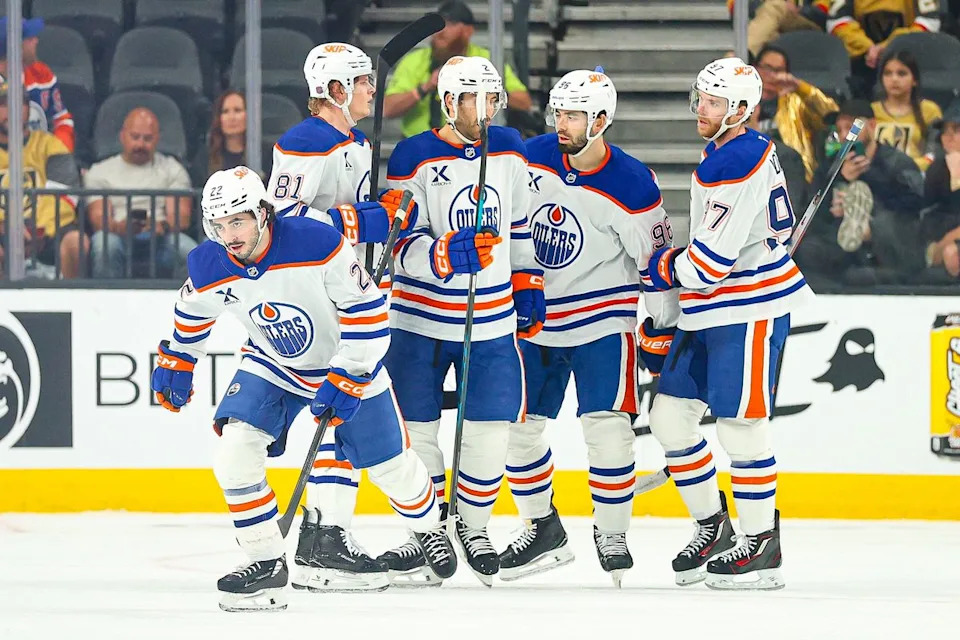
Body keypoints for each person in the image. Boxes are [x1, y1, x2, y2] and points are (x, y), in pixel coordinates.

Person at [149, 167, 454, 611]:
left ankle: (429, 527)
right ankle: (266, 563)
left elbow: (367, 309)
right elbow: (192, 309)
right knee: (235, 453)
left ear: (262, 213)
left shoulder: (318, 242)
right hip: (274, 364)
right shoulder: (209, 263)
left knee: (393, 470)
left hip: (345, 364)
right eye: (218, 224)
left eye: (237, 221)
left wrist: (350, 373)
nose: (228, 235)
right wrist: (179, 357)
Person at [495, 70, 679, 587]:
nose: (561, 124)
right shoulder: (531, 156)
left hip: (602, 320)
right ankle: (543, 530)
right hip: (536, 315)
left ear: (601, 120)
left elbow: (656, 259)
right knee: (517, 431)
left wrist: (663, 325)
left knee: (610, 433)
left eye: (573, 115)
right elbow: (502, 218)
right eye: (558, 113)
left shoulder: (633, 182)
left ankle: (612, 532)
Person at [644, 57, 814, 590]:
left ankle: (762, 544)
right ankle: (713, 528)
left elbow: (710, 265)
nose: (702, 110)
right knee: (671, 418)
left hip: (748, 309)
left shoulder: (736, 159)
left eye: (713, 103)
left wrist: (662, 268)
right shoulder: (727, 151)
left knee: (743, 427)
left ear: (740, 110)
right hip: (713, 309)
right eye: (701, 99)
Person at [378, 55, 542, 587]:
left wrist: (527, 279)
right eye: (477, 99)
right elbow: (396, 244)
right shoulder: (414, 155)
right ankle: (427, 531)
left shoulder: (512, 148)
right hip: (420, 319)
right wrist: (443, 255)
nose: (488, 109)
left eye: (493, 98)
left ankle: (472, 527)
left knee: (490, 429)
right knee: (418, 429)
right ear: (449, 101)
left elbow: (519, 224)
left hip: (490, 318)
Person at [266, 42, 418, 593]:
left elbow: (353, 214)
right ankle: (325, 536)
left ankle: (322, 533)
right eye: (362, 81)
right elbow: (282, 221)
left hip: (341, 287)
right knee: (343, 404)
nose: (372, 91)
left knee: (344, 406)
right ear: (335, 90)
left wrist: (389, 213)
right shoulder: (305, 140)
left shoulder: (351, 139)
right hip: (315, 292)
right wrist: (363, 222)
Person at [794, 99, 925, 286]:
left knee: (888, 234)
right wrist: (839, 190)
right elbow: (813, 210)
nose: (844, 135)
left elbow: (913, 205)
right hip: (841, 243)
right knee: (808, 250)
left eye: (850, 127)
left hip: (884, 240)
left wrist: (869, 176)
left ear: (872, 125)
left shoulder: (897, 162)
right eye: (839, 130)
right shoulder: (830, 165)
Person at [382, 0, 533, 138]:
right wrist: (425, 87)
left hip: (472, 147)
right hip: (420, 147)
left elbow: (524, 102)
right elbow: (388, 109)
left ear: (468, 30)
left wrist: (486, 89)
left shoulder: (486, 60)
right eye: (438, 25)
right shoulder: (414, 61)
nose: (439, 32)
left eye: (449, 24)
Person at [84, 107, 196, 279]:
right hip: (117, 235)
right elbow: (99, 218)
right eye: (135, 137)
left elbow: (182, 215)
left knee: (190, 252)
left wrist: (162, 226)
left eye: (148, 139)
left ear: (157, 139)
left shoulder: (173, 169)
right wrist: (120, 226)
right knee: (104, 245)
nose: (140, 144)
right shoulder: (100, 171)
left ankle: (188, 304)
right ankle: (104, 304)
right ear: (122, 136)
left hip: (162, 238)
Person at [0, 77, 84, 279]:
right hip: (3, 232)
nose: (13, 110)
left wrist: (38, 230)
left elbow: (64, 198)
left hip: (46, 233)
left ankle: (76, 305)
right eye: (3, 103)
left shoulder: (50, 145)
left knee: (75, 241)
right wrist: (9, 228)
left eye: (20, 102)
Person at [752, 44, 838, 183]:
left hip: (794, 178)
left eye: (779, 70)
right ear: (755, 68)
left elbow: (832, 114)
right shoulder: (742, 101)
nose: (773, 75)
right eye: (767, 68)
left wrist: (800, 87)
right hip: (754, 176)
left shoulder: (796, 101)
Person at [826, 0, 942, 96]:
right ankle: (862, 118)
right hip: (860, 64)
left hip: (908, 60)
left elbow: (930, 21)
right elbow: (836, 21)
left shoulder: (928, 112)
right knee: (858, 114)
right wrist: (866, 47)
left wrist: (888, 46)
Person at [0, 17, 74, 151]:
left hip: (42, 158)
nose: (36, 40)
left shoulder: (42, 73)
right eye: (29, 38)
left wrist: (58, 153)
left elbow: (62, 121)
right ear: (15, 47)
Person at [872, 49, 942, 171]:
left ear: (915, 80)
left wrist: (908, 167)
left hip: (916, 177)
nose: (894, 79)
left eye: (901, 73)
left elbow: (934, 154)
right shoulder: (870, 111)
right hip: (875, 176)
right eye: (887, 73)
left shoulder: (930, 110)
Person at [919, 101, 960, 280]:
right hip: (942, 238)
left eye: (957, 130)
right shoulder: (937, 169)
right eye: (945, 131)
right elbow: (929, 211)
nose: (949, 137)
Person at [727, 1, 828, 57]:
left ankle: (739, 56)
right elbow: (736, 7)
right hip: (768, 19)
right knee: (771, 28)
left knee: (774, 9)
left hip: (805, 22)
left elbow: (821, 12)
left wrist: (799, 10)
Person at [191, 90, 246, 187]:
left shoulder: (266, 156)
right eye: (225, 112)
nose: (231, 117)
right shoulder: (205, 158)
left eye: (237, 110)